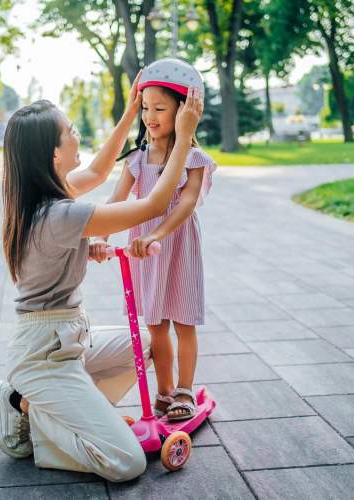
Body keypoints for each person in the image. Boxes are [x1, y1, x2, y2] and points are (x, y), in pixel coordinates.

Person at [0, 69, 204, 482]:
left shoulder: (45, 192)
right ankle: (23, 405)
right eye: (70, 130)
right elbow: (155, 204)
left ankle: (50, 408)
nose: (77, 133)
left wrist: (127, 114)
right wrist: (184, 134)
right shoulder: (59, 210)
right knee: (127, 463)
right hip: (44, 353)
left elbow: (102, 173)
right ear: (54, 153)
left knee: (147, 344)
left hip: (68, 336)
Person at [93, 58, 216, 422]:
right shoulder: (136, 159)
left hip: (177, 248)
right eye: (146, 107)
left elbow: (187, 203)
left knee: (183, 323)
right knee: (155, 326)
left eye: (160, 108)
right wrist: (98, 237)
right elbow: (115, 202)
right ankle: (163, 393)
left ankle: (184, 391)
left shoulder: (194, 158)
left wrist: (155, 234)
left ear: (184, 111)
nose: (150, 115)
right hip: (144, 253)